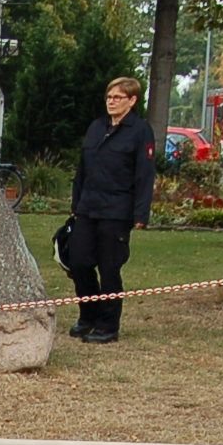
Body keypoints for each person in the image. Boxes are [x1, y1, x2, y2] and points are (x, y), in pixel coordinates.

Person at [64, 76, 155, 344]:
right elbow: (83, 169)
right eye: (109, 97)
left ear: (132, 101)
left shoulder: (140, 131)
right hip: (88, 207)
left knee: (109, 268)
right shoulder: (96, 127)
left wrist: (140, 213)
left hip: (117, 210)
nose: (111, 102)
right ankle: (88, 315)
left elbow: (145, 174)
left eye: (118, 98)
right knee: (78, 262)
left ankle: (108, 325)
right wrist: (77, 203)